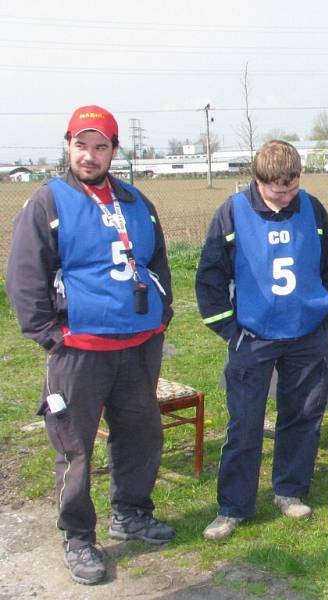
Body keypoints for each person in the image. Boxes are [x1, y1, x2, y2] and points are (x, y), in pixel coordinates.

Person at [5, 105, 175, 585]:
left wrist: (161, 315)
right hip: (79, 351)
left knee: (141, 436)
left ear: (114, 151)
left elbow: (157, 262)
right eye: (82, 145)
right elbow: (24, 274)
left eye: (101, 146)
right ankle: (78, 537)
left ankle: (132, 512)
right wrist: (48, 334)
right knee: (75, 448)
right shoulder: (48, 202)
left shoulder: (138, 201)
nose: (90, 155)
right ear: (69, 146)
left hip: (138, 345)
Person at [196, 140, 328, 540]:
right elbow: (209, 276)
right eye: (277, 189)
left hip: (307, 335)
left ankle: (290, 490)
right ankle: (233, 506)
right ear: (257, 180)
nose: (285, 196)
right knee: (245, 424)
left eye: (292, 187)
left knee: (302, 418)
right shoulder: (231, 211)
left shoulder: (312, 208)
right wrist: (229, 328)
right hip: (253, 338)